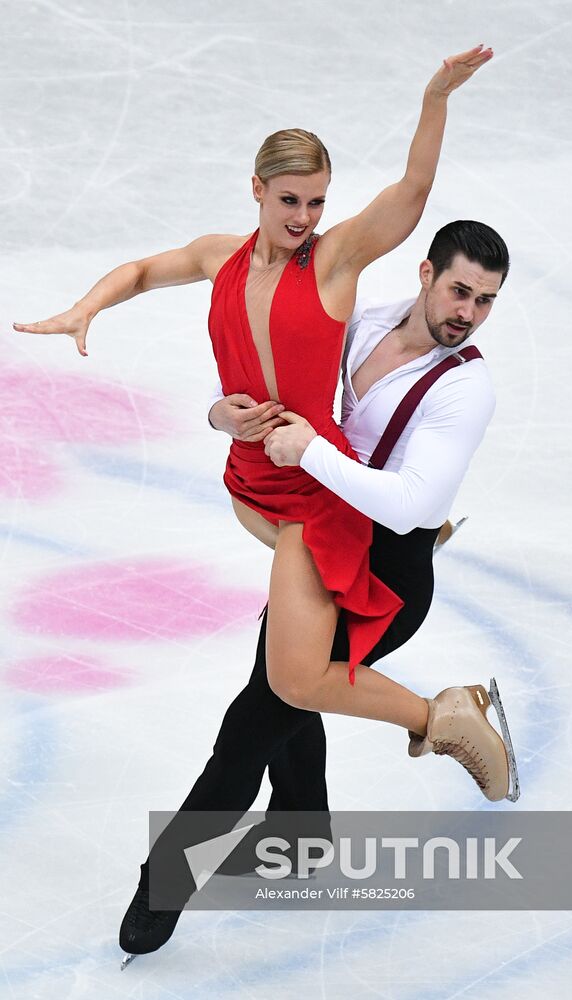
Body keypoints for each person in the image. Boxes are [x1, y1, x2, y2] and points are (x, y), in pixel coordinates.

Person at [13, 47, 497, 756]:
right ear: (258, 191)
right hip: (249, 482)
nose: (304, 217)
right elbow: (147, 269)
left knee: (291, 681)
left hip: (308, 490)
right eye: (290, 200)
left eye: (316, 201)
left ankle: (442, 717)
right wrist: (88, 308)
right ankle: (305, 826)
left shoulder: (332, 260)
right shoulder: (221, 257)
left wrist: (435, 100)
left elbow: (412, 192)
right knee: (281, 683)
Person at [118, 220, 517, 961]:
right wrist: (222, 410)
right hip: (317, 542)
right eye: (460, 290)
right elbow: (272, 379)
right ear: (426, 274)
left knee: (255, 716)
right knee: (283, 693)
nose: (467, 312)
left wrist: (306, 453)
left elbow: (403, 504)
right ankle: (302, 829)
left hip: (385, 575)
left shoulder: (465, 387)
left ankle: (165, 881)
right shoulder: (361, 320)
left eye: (485, 301)